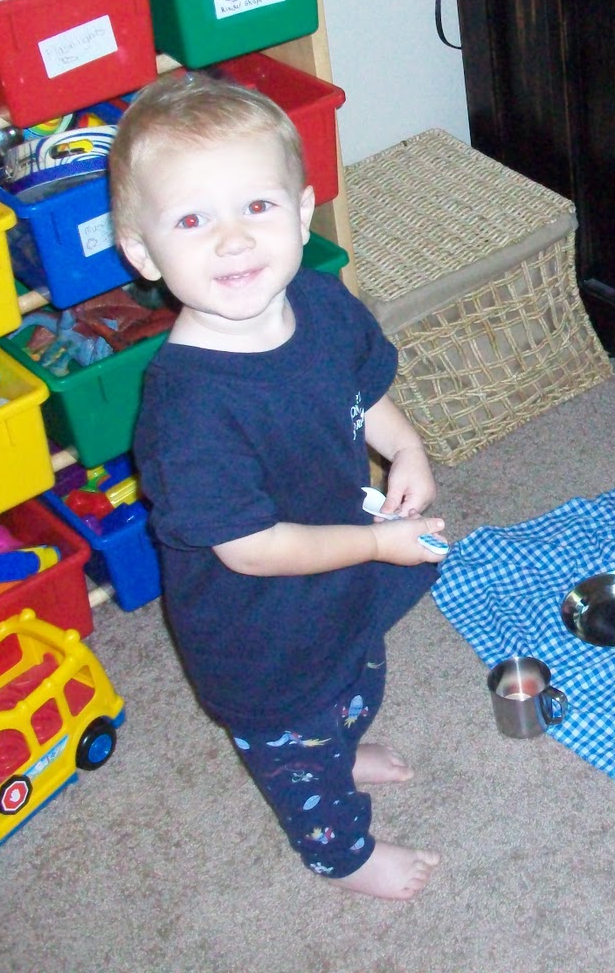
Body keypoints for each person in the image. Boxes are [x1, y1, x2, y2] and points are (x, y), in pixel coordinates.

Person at [109, 72, 445, 900]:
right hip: (258, 627)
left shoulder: (319, 304)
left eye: (257, 207)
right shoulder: (187, 407)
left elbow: (360, 389)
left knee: (354, 673)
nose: (232, 240)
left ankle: (340, 741)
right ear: (144, 253)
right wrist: (376, 542)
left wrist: (405, 448)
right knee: (295, 740)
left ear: (301, 214)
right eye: (192, 219)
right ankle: (343, 852)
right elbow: (251, 550)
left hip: (336, 573)